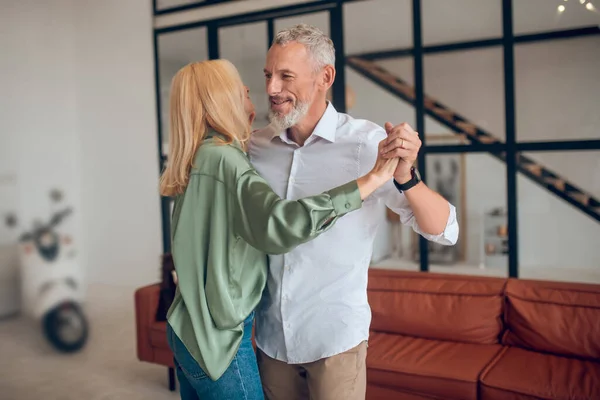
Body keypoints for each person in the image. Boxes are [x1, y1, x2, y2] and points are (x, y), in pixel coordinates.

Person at [159, 59, 401, 400]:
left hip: (185, 327)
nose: (257, 96)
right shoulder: (226, 160)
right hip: (217, 339)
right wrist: (369, 181)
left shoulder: (199, 156)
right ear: (223, 99)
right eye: (244, 91)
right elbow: (280, 223)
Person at [249, 24, 460, 400]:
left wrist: (407, 175)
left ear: (324, 77)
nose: (271, 89)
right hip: (270, 339)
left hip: (334, 340)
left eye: (285, 76)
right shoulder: (257, 147)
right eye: (268, 75)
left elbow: (444, 231)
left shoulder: (367, 143)